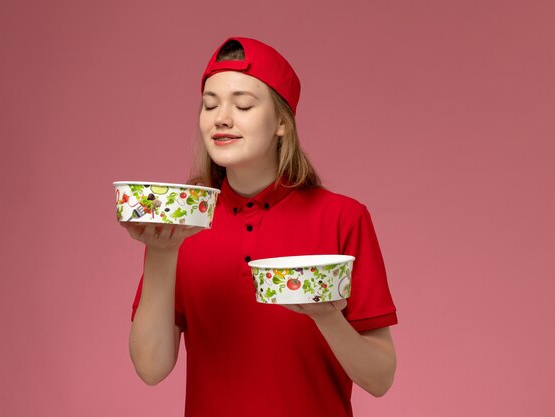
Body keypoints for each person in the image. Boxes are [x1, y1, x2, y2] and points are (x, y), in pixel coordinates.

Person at [122, 36, 398, 417]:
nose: (222, 117)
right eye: (210, 105)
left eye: (244, 104)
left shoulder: (342, 218)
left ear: (282, 123)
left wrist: (325, 315)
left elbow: (380, 378)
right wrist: (161, 252)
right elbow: (151, 369)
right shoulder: (181, 221)